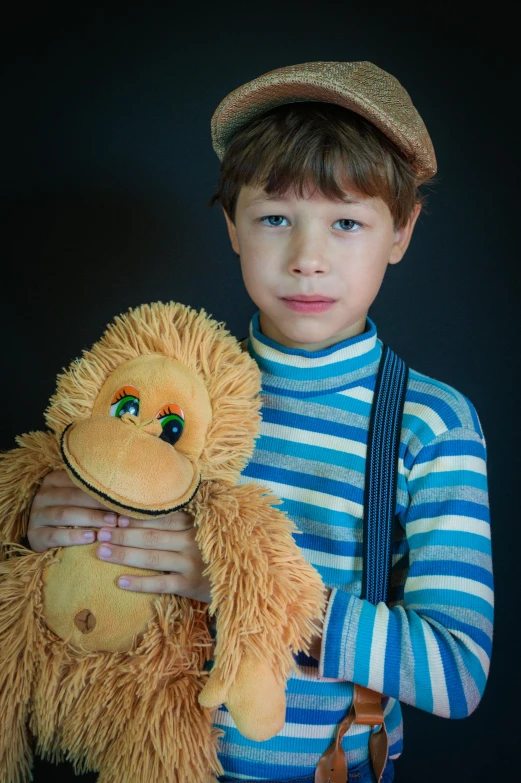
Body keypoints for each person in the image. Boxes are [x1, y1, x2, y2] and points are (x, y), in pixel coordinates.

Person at [26, 62, 493, 783]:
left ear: (400, 231)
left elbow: (456, 672)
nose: (308, 259)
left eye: (346, 223)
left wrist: (242, 588)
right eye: (275, 218)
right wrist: (42, 528)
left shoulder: (429, 423)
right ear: (232, 227)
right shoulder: (175, 394)